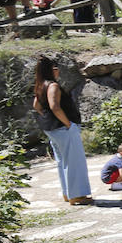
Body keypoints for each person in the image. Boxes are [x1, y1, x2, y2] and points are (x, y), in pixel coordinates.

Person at [32, 56, 92, 205]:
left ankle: (67, 193)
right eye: (56, 68)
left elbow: (36, 106)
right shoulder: (53, 86)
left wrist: (48, 119)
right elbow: (54, 106)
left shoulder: (40, 86)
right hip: (63, 129)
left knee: (62, 161)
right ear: (51, 70)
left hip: (52, 129)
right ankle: (77, 195)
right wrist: (68, 124)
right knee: (74, 161)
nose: (58, 71)